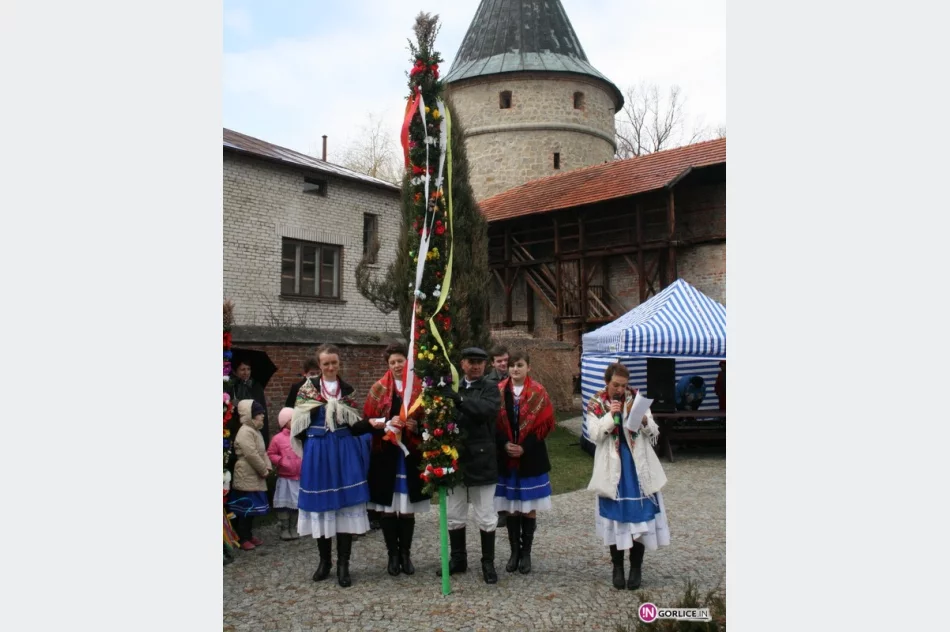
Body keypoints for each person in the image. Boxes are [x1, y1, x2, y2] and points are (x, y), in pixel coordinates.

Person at [292, 344, 371, 588]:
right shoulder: (307, 389)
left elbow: (356, 424)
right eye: (326, 363)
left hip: (343, 450)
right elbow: (298, 423)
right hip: (319, 452)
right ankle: (324, 561)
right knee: (322, 506)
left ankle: (343, 564)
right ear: (319, 365)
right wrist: (315, 445)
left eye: (334, 363)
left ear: (339, 363)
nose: (330, 367)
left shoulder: (347, 390)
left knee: (345, 507)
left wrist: (377, 424)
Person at [586, 362, 671, 590]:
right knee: (617, 519)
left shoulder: (637, 399)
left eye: (623, 385)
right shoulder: (596, 403)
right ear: (607, 382)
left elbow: (654, 431)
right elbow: (594, 434)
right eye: (616, 385)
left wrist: (644, 420)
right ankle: (617, 567)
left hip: (637, 466)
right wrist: (609, 416)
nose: (620, 390)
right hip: (612, 466)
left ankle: (636, 567)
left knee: (639, 518)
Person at [362, 343, 430, 576]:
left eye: (400, 360)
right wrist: (387, 423)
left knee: (407, 509)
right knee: (389, 509)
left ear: (407, 362)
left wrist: (417, 425)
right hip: (386, 453)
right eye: (392, 362)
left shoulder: (419, 387)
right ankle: (392, 555)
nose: (397, 365)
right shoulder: (378, 388)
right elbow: (368, 419)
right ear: (388, 365)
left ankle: (406, 554)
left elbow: (430, 419)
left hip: (410, 454)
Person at [439, 347, 503, 584]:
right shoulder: (452, 386)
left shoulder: (489, 387)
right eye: (471, 362)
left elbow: (486, 410)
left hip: (481, 459)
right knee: (455, 514)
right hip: (454, 459)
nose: (476, 366)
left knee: (485, 515)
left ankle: (488, 562)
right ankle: (458, 559)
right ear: (462, 364)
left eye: (480, 362)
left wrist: (460, 400)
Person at [495, 351, 555, 575]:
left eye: (519, 365)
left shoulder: (539, 392)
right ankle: (514, 552)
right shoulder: (499, 391)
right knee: (512, 509)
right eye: (511, 365)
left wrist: (524, 446)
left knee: (528, 508)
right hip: (507, 456)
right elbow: (493, 423)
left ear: (528, 367)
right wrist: (504, 444)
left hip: (531, 456)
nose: (515, 369)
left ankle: (526, 553)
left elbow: (545, 424)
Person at [228, 400, 273, 551]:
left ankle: (248, 534)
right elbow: (251, 454)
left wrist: (268, 465)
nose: (262, 416)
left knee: (252, 508)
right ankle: (242, 536)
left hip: (255, 473)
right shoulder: (245, 431)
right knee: (245, 508)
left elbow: (262, 451)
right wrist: (263, 470)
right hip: (246, 473)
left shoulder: (256, 431)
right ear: (250, 415)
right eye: (259, 413)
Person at [267, 407, 302, 541]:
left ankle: (293, 527)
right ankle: (284, 528)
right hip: (285, 477)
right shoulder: (277, 439)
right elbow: (270, 454)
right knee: (284, 504)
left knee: (296, 503)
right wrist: (281, 461)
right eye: (292, 419)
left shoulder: (299, 436)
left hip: (298, 476)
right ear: (285, 422)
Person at [232, 360, 271, 447]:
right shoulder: (232, 387)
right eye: (242, 369)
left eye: (248, 369)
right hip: (237, 427)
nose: (246, 372)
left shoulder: (256, 386)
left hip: (254, 427)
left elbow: (261, 408)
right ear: (235, 371)